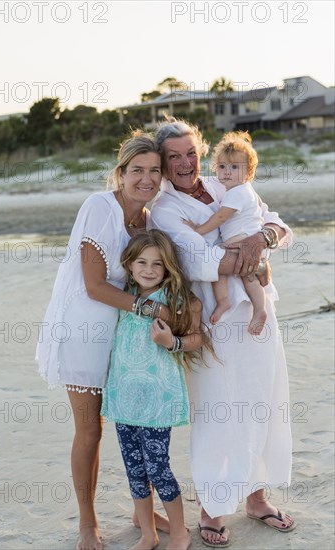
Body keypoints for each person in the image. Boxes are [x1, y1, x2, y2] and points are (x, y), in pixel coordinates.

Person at [150, 119, 295, 547]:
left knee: (260, 401)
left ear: (202, 152)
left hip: (258, 314)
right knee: (216, 412)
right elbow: (195, 260)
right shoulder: (165, 209)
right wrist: (252, 254)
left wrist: (263, 237)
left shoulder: (227, 181)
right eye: (173, 156)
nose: (184, 162)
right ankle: (211, 508)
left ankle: (255, 497)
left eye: (190, 152)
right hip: (212, 321)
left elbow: (278, 226)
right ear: (162, 162)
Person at [36, 131, 171, 550]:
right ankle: (87, 523)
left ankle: (141, 510)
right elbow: (94, 285)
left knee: (136, 421)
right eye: (137, 171)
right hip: (86, 326)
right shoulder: (99, 207)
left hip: (124, 326)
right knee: (90, 429)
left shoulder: (148, 219)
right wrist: (153, 311)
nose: (146, 179)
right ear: (121, 172)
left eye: (154, 171)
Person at [102, 229, 205, 550]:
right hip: (123, 398)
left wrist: (171, 341)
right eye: (141, 262)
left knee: (158, 468)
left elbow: (197, 337)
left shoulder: (175, 300)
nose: (148, 270)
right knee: (134, 468)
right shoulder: (124, 296)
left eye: (157, 264)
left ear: (167, 267)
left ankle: (179, 531)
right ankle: (147, 532)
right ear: (129, 265)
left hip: (157, 399)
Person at [182, 131, 268, 335]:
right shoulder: (236, 190)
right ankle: (228, 302)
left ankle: (258, 309)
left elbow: (220, 218)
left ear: (249, 172)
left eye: (235, 167)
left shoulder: (238, 192)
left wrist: (198, 229)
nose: (227, 172)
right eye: (222, 167)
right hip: (237, 240)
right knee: (221, 269)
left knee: (246, 275)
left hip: (243, 240)